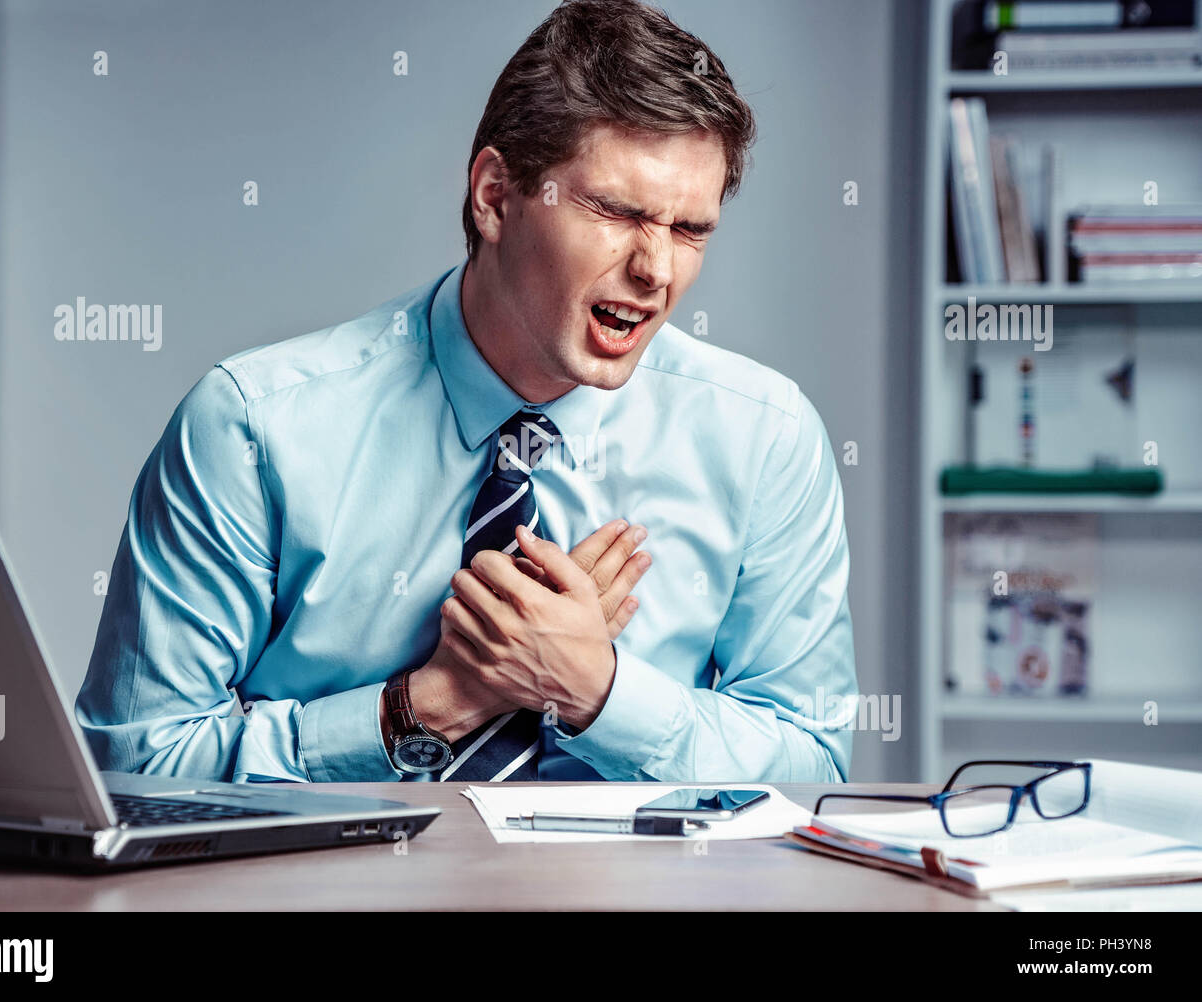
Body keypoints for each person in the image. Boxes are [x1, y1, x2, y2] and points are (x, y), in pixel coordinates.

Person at [76, 0, 858, 785]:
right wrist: (435, 703)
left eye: (690, 229)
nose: (656, 270)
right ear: (493, 195)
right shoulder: (252, 427)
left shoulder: (765, 438)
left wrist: (597, 691)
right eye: (617, 212)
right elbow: (135, 763)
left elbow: (813, 764)